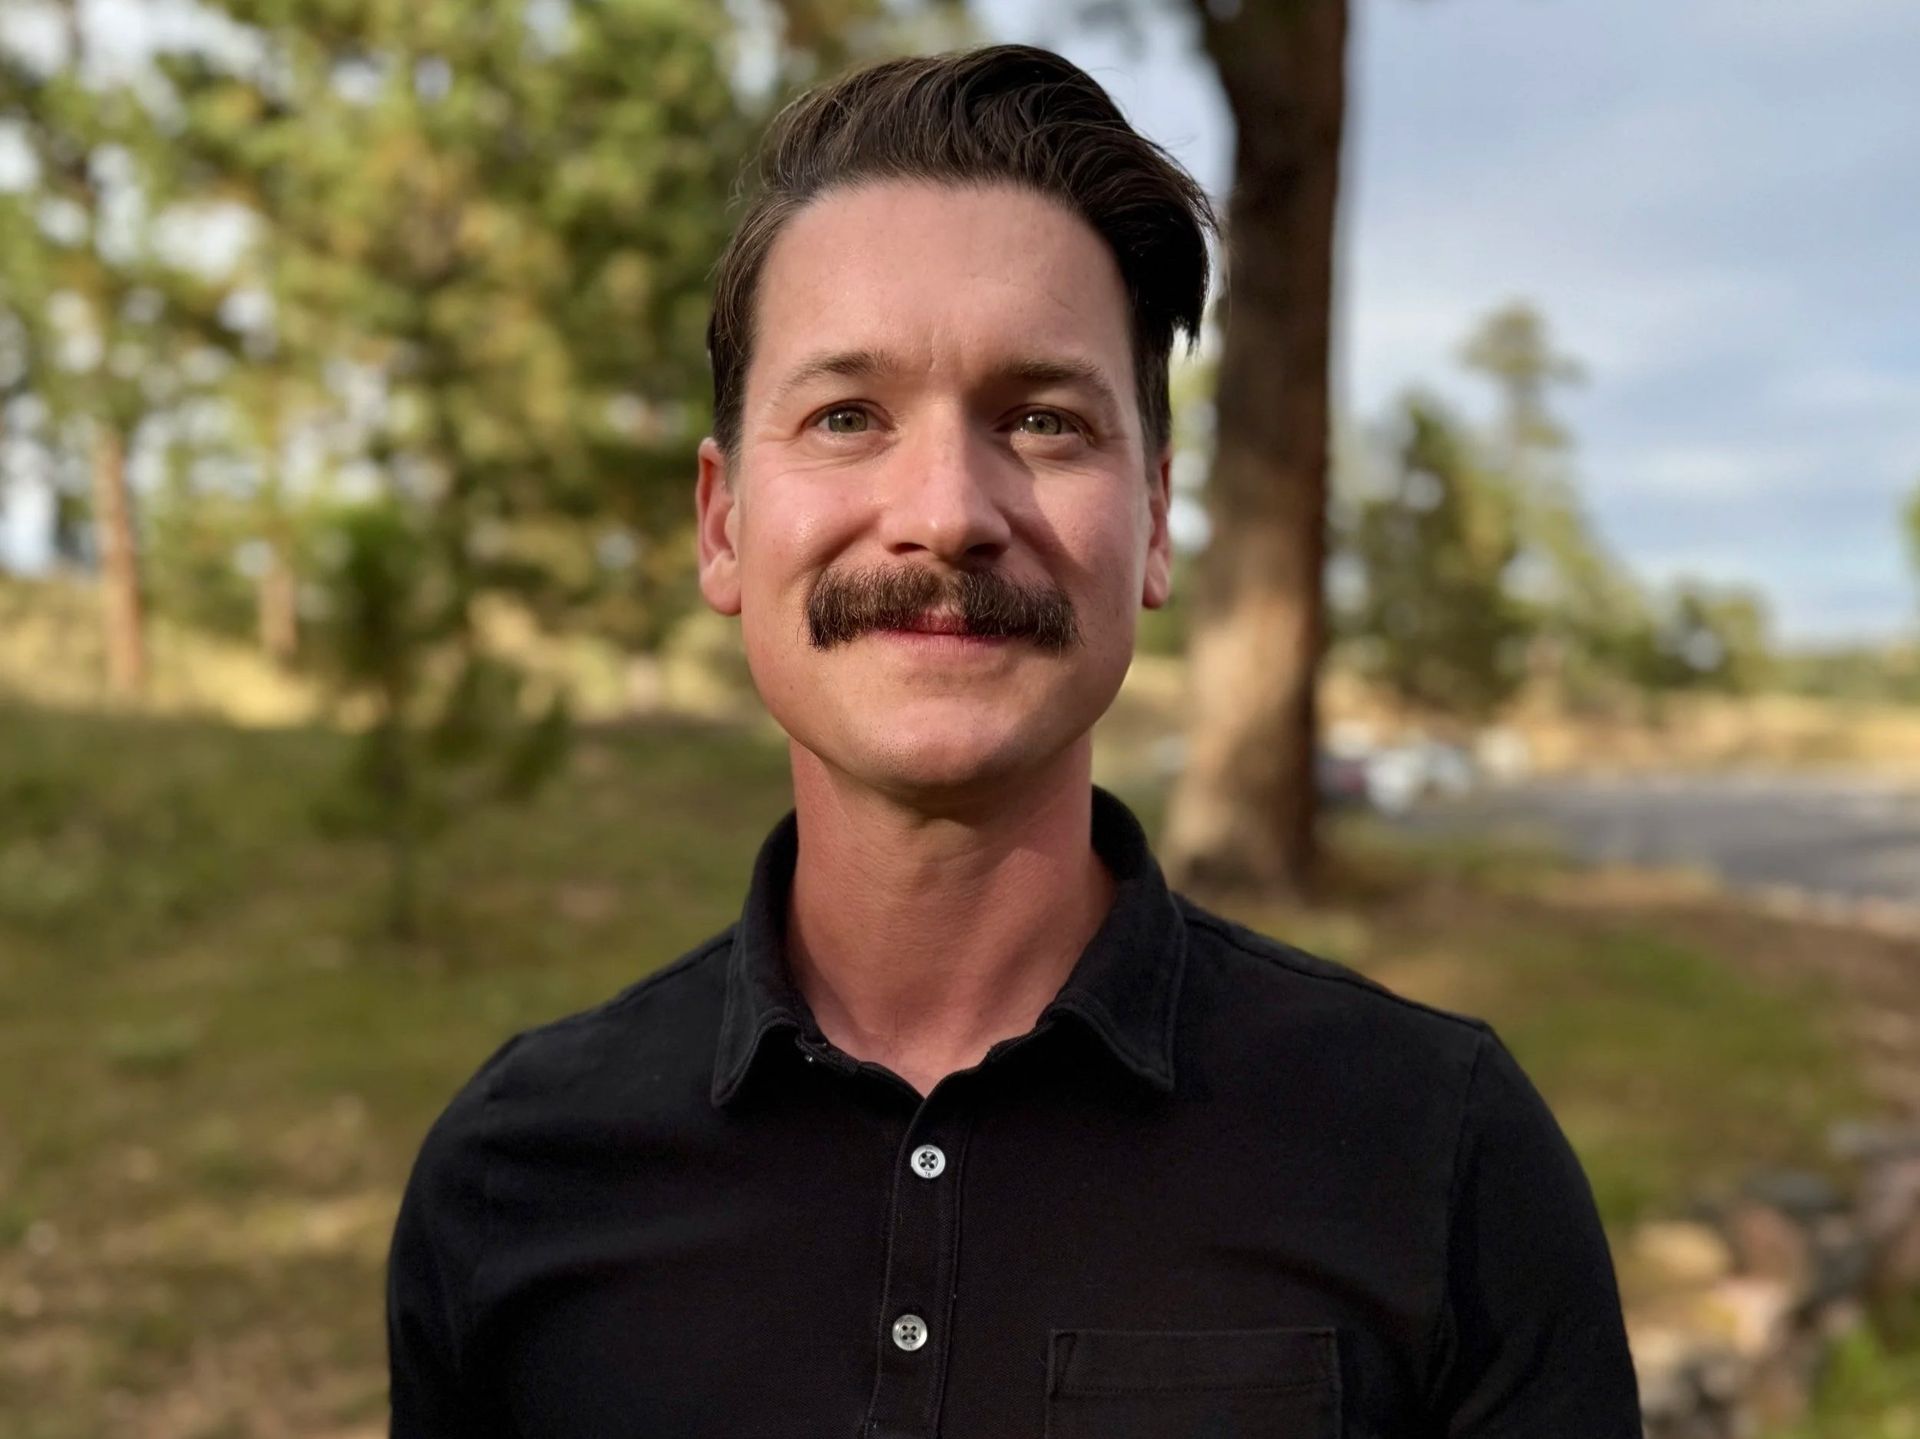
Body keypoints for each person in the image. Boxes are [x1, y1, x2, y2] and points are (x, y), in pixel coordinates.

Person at [386, 43, 1643, 1437]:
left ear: (1155, 522)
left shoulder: (1438, 1154)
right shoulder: (512, 1177)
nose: (946, 511)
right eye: (847, 416)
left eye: (1041, 419)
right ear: (723, 521)